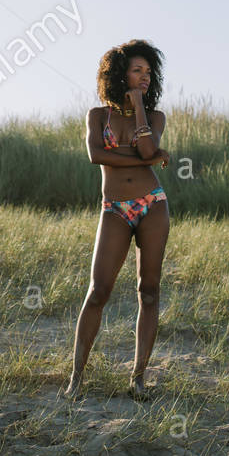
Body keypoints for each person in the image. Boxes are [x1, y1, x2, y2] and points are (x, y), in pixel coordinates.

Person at [64, 40, 170, 401]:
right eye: (137, 70)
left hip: (152, 205)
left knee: (149, 293)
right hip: (114, 209)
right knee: (98, 292)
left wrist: (138, 105)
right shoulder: (98, 115)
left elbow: (144, 150)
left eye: (148, 72)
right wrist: (150, 159)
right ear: (119, 73)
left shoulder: (155, 117)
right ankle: (76, 378)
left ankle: (138, 379)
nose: (144, 77)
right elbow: (96, 155)